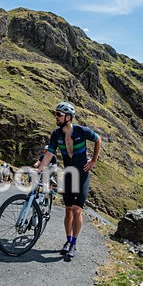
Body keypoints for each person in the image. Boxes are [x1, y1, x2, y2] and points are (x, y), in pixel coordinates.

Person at [36, 101, 102, 258]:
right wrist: (39, 170)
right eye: (55, 114)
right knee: (67, 210)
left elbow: (98, 139)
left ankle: (74, 243)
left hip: (82, 173)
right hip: (68, 173)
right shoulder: (56, 134)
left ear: (68, 117)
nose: (56, 117)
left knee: (77, 209)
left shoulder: (81, 131)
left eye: (59, 114)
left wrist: (93, 161)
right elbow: (49, 154)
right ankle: (67, 240)